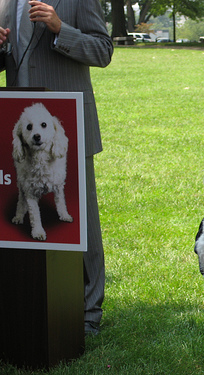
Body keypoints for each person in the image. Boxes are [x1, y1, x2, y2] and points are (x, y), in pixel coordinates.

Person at [0, 0, 113, 335]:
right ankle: (30, 302)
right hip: (22, 128)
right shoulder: (7, 3)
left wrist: (60, 29)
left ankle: (89, 310)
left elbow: (103, 51)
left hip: (67, 127)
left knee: (80, 220)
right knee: (23, 220)